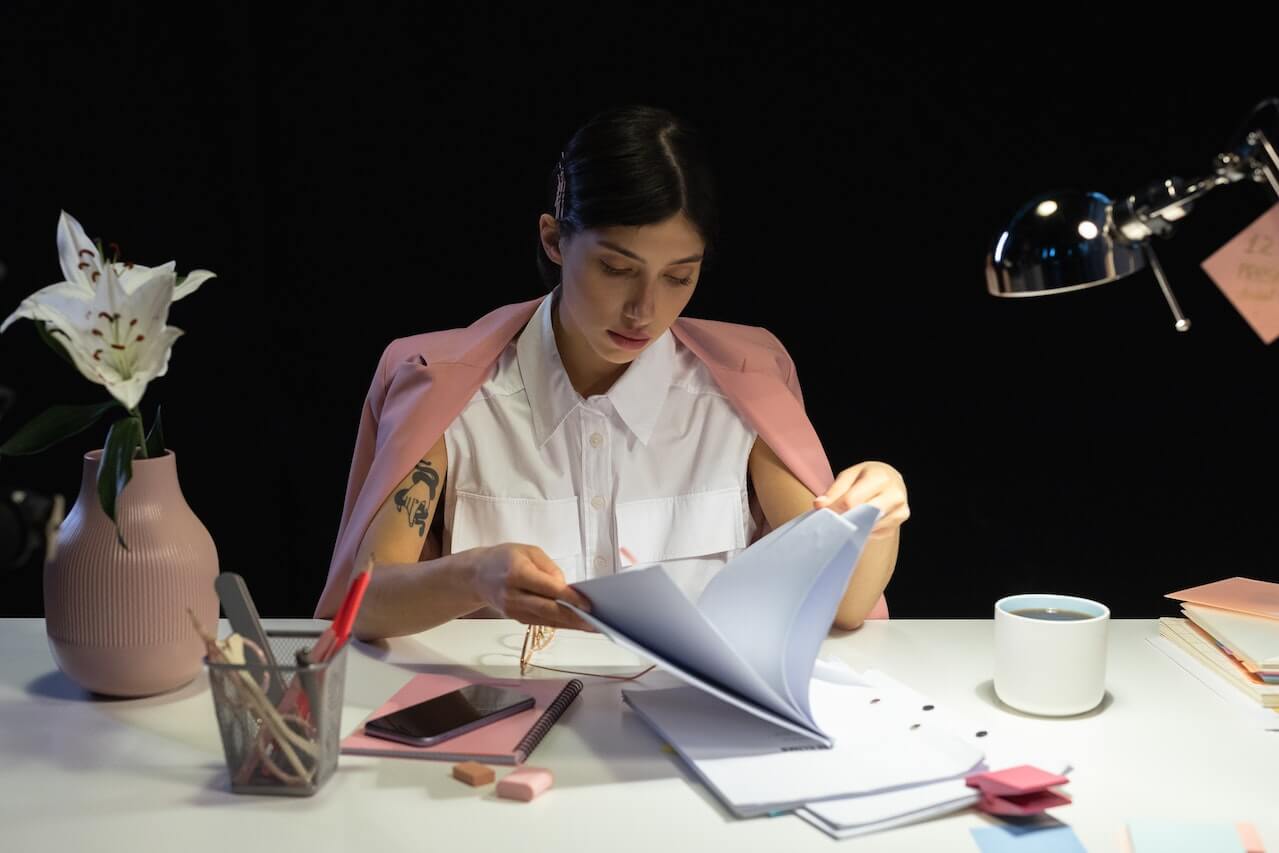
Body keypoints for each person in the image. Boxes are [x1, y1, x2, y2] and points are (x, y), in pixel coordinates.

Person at [314, 105, 908, 642]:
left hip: (693, 729)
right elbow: (362, 604)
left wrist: (878, 515)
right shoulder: (445, 386)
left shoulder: (743, 386)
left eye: (678, 276)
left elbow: (844, 604)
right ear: (553, 239)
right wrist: (474, 575)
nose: (644, 310)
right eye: (616, 268)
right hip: (502, 725)